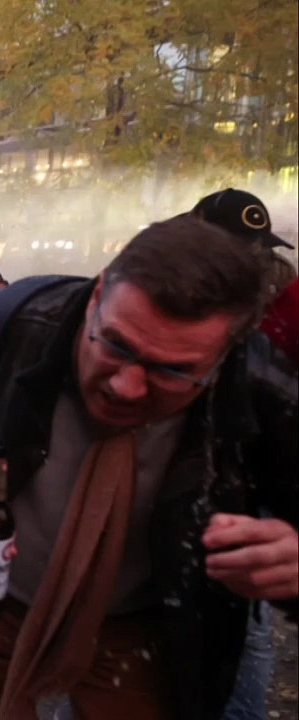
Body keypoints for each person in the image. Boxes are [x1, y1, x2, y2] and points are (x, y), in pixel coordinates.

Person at [0, 215, 297, 719]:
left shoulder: (264, 388)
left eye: (173, 370)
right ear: (97, 297)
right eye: (116, 345)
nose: (127, 387)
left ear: (224, 355)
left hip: (141, 624)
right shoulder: (18, 323)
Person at [187, 188, 295, 720]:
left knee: (242, 614)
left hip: (257, 477)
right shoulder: (184, 292)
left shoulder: (287, 301)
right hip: (201, 472)